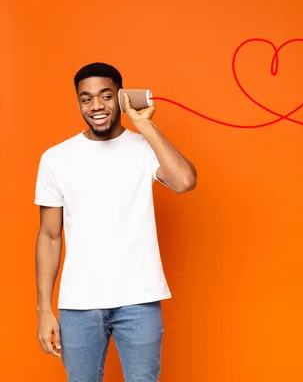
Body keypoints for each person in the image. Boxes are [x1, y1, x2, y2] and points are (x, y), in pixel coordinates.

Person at [34, 62, 197, 381]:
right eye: (86, 98)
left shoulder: (145, 149)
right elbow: (50, 236)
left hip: (139, 300)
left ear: (121, 97)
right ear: (79, 102)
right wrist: (44, 309)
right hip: (79, 304)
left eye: (105, 96)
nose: (96, 105)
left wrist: (145, 125)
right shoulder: (56, 158)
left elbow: (185, 181)